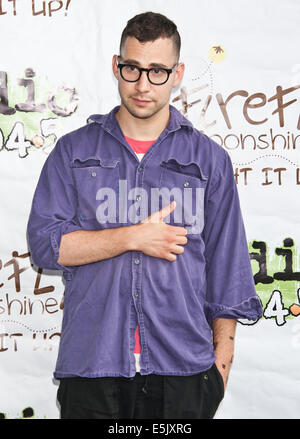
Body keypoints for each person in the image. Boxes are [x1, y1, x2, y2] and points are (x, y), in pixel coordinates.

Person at [27, 11, 263, 419]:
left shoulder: (210, 161)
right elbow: (45, 247)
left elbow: (229, 275)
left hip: (184, 374)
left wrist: (218, 372)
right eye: (132, 68)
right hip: (91, 370)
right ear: (116, 67)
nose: (142, 85)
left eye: (157, 71)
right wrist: (132, 237)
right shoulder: (72, 151)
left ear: (177, 73)